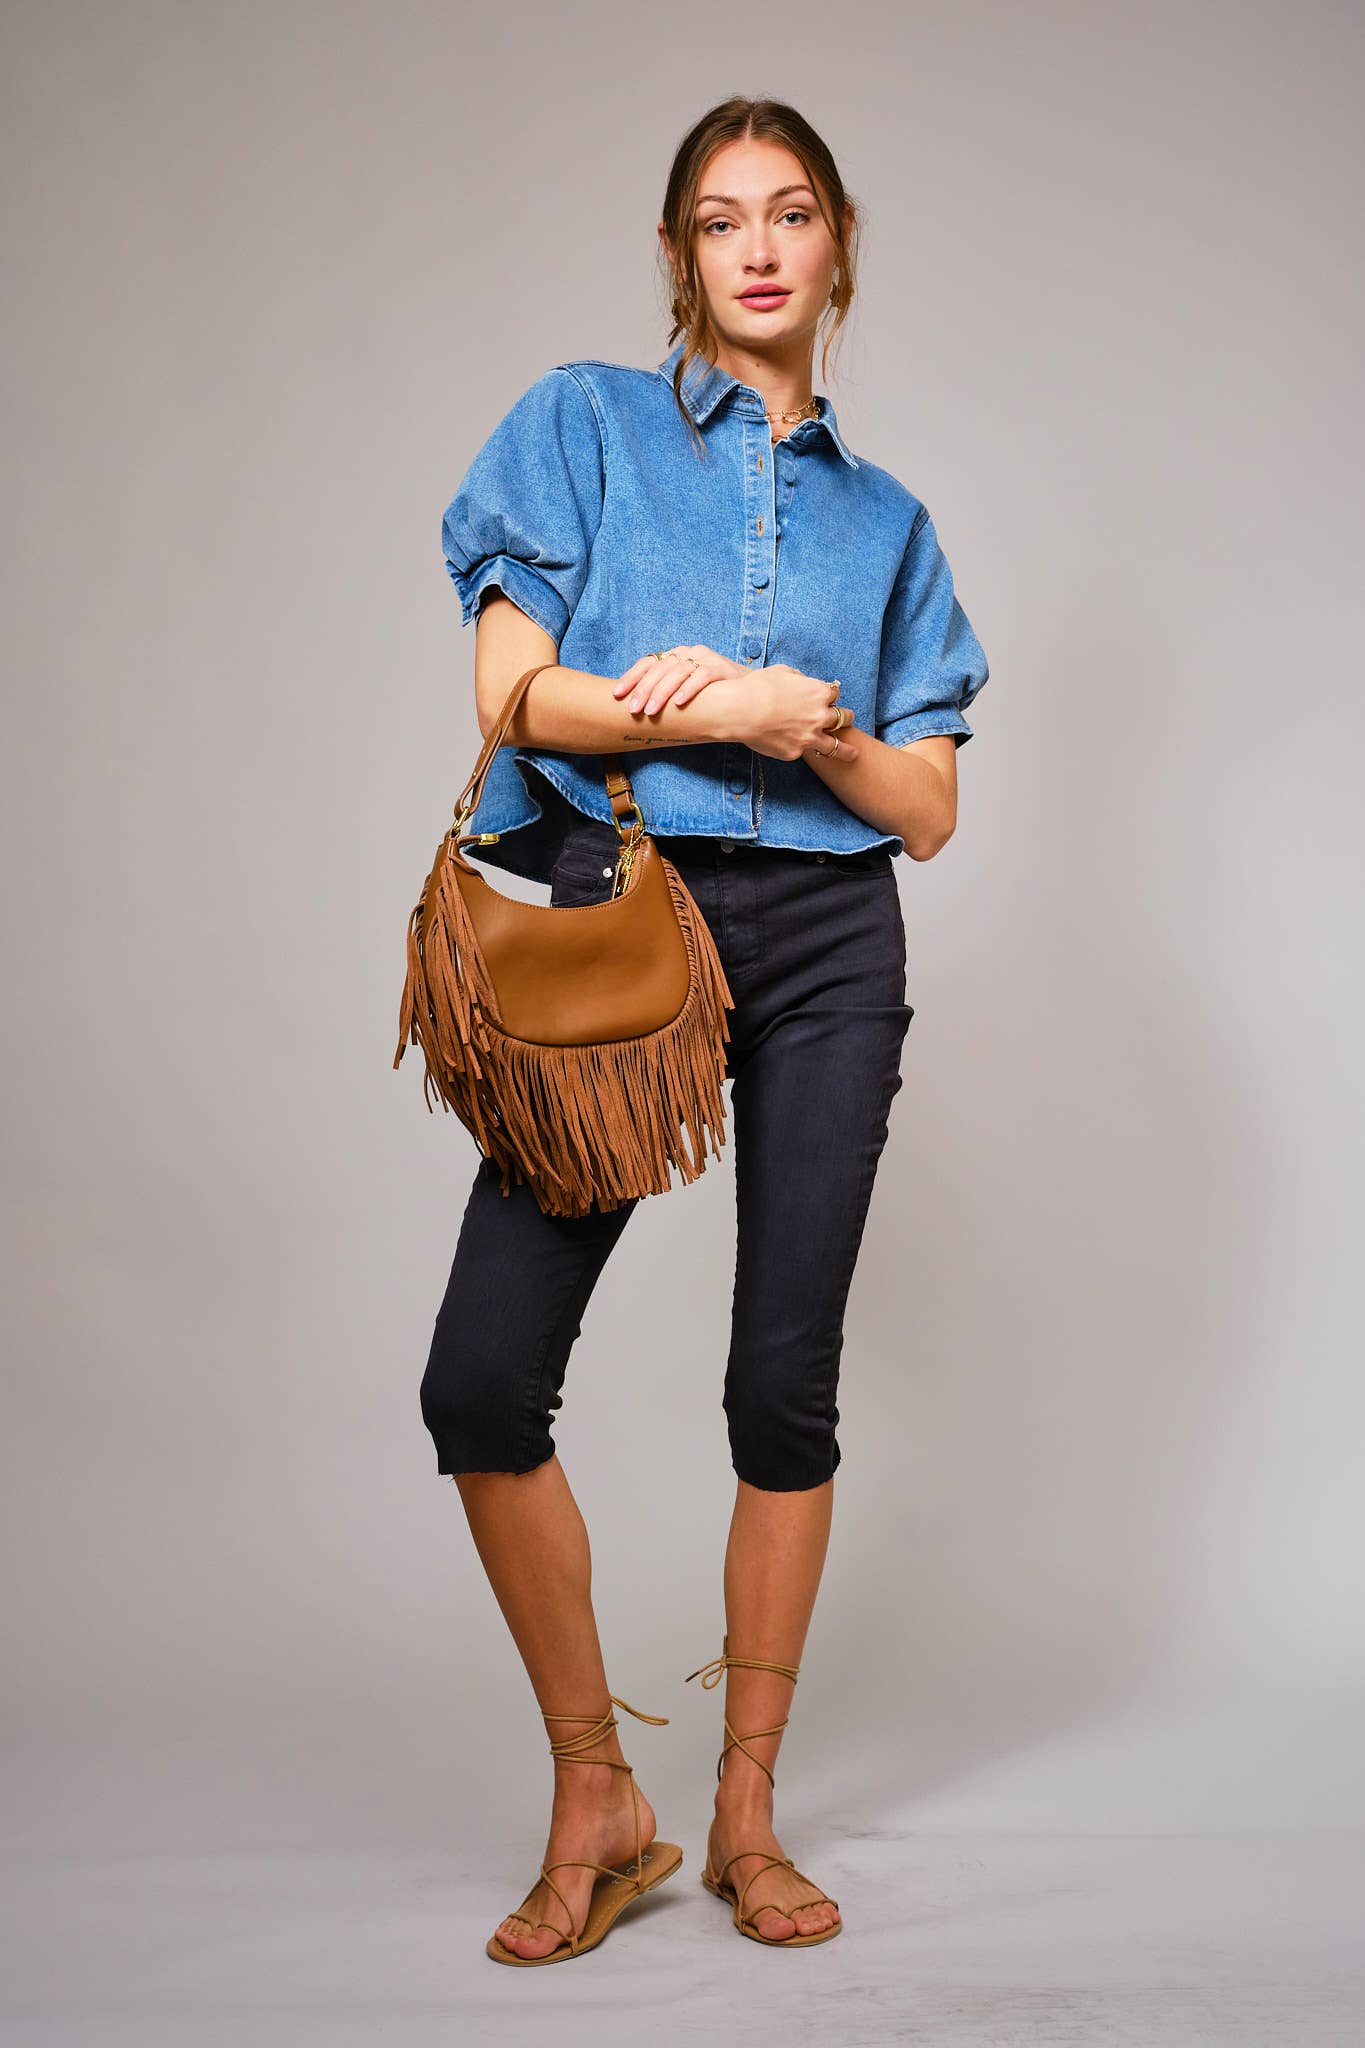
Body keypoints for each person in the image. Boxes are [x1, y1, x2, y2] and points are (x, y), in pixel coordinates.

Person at [417, 96, 990, 1965]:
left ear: (835, 252)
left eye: (793, 214)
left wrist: (808, 728)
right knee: (482, 1384)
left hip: (831, 940)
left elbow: (924, 807)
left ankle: (744, 1805)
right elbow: (513, 691)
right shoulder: (580, 425)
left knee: (780, 1383)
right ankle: (602, 1792)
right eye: (720, 219)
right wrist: (687, 715)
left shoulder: (889, 521)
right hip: (626, 917)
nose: (757, 246)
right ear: (680, 256)